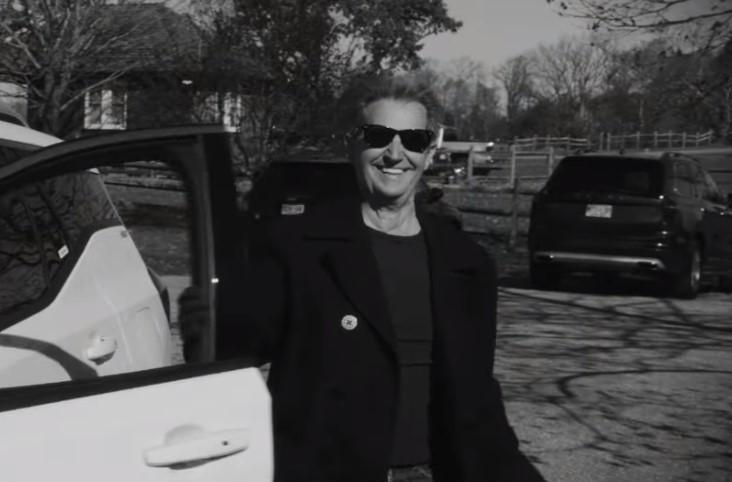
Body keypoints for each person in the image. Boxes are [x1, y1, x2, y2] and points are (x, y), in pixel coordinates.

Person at [215, 75, 545, 482]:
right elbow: (233, 347)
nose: (395, 154)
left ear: (429, 153)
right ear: (351, 144)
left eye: (413, 140)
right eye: (378, 136)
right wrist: (210, 305)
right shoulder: (297, 248)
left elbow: (476, 396)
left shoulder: (467, 263)